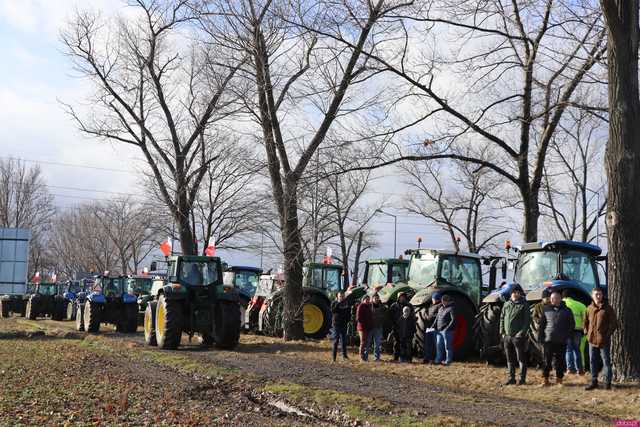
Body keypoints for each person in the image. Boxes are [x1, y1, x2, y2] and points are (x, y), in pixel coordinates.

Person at [584, 287, 618, 390]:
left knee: (606, 361)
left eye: (600, 294)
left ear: (602, 295)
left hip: (604, 341)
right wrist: (586, 333)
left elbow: (614, 323)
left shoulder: (608, 308)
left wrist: (607, 335)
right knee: (592, 361)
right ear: (592, 296)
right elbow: (585, 322)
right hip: (591, 340)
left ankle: (607, 383)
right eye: (596, 294)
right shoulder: (589, 308)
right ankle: (594, 381)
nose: (598, 296)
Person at [538, 291, 574, 386]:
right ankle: (545, 380)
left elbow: (571, 325)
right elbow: (541, 325)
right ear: (551, 299)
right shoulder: (546, 309)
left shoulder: (567, 310)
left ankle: (559, 380)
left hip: (561, 341)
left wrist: (567, 336)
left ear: (560, 299)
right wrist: (540, 338)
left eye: (557, 298)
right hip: (548, 340)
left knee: (560, 361)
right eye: (552, 298)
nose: (554, 300)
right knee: (546, 360)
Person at [499, 285, 530, 385]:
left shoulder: (524, 305)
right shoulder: (506, 304)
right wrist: (502, 332)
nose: (516, 294)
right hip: (507, 336)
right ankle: (511, 378)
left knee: (520, 357)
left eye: (518, 292)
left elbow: (527, 321)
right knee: (509, 358)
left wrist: (521, 333)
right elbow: (502, 318)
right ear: (511, 294)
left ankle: (522, 379)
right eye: (514, 292)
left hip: (518, 337)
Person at [562, 289, 587, 375]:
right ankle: (579, 369)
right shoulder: (581, 305)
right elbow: (585, 319)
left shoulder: (561, 304)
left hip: (566, 330)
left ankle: (569, 369)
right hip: (578, 331)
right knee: (577, 349)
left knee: (568, 350)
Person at [433, 294, 455, 365]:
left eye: (444, 301)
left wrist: (447, 328)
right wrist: (432, 326)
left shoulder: (451, 309)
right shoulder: (441, 309)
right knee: (439, 346)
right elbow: (437, 319)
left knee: (448, 347)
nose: (443, 302)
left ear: (448, 301)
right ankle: (437, 360)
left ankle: (448, 361)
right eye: (442, 301)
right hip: (439, 331)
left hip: (447, 331)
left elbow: (453, 320)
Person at [390, 292, 413, 361]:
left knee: (407, 343)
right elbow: (390, 316)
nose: (402, 298)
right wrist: (393, 325)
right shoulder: (394, 306)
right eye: (401, 297)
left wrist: (412, 326)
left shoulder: (409, 305)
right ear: (398, 297)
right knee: (396, 343)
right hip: (397, 327)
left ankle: (408, 358)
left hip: (407, 327)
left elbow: (413, 316)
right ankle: (396, 357)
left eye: (403, 297)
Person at [422, 292, 442, 364]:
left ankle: (433, 359)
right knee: (428, 344)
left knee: (435, 344)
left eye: (433, 298)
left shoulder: (440, 306)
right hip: (429, 327)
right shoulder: (431, 306)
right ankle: (427, 357)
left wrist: (427, 316)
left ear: (436, 299)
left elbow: (436, 316)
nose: (432, 300)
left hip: (435, 327)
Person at [330, 292, 350, 362]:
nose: (342, 297)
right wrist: (338, 303)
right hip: (336, 325)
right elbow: (333, 310)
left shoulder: (346, 304)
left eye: (343, 296)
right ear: (337, 297)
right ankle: (333, 358)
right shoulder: (334, 303)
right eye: (340, 296)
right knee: (335, 341)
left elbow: (348, 312)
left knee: (344, 341)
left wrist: (348, 320)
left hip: (344, 324)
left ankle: (344, 356)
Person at [369, 293, 388, 362]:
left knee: (377, 343)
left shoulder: (382, 306)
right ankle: (364, 357)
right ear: (372, 299)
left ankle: (377, 357)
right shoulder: (369, 306)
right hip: (370, 327)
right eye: (375, 298)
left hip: (378, 327)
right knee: (367, 343)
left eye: (377, 298)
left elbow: (386, 313)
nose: (376, 299)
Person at [356, 295, 373, 361]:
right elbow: (358, 318)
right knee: (363, 342)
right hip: (362, 327)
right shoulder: (361, 306)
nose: (367, 300)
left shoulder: (368, 306)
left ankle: (365, 357)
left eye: (368, 299)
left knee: (366, 342)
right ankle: (361, 357)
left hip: (368, 327)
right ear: (363, 300)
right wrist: (364, 323)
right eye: (366, 299)